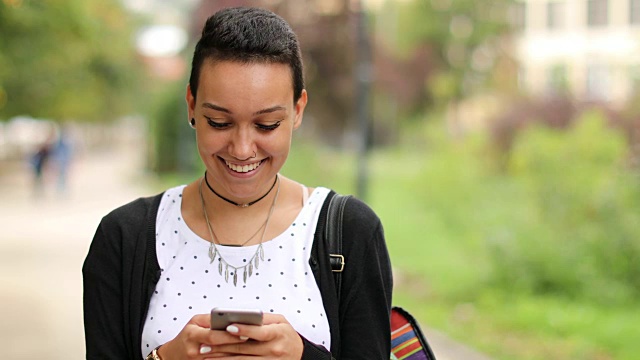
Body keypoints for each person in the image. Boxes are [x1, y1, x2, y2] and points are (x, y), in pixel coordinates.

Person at [83, 7, 392, 360]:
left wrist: (301, 355)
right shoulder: (124, 237)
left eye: (267, 125)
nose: (243, 149)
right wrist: (165, 358)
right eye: (218, 122)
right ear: (191, 106)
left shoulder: (349, 233)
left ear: (298, 110)